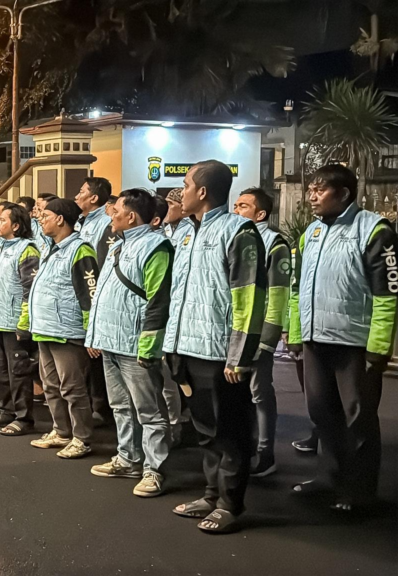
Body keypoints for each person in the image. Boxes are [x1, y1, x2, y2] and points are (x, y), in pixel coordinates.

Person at [164, 160, 267, 534]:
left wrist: (238, 356)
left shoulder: (239, 231)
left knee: (231, 433)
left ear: (203, 191)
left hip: (220, 355)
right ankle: (211, 494)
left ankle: (230, 504)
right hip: (186, 348)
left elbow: (249, 300)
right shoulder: (185, 233)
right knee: (206, 431)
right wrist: (170, 345)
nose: (182, 192)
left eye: (186, 185)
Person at [288, 164, 397, 513]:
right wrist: (295, 333)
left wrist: (378, 347)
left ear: (344, 193)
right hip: (315, 340)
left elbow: (387, 294)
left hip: (355, 344)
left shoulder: (374, 230)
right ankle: (330, 478)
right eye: (310, 189)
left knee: (358, 419)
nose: (311, 196)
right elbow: (297, 288)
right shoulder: (310, 233)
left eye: (319, 189)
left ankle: (360, 491)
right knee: (322, 413)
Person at [86, 189, 174, 497]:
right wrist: (94, 335)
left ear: (132, 216)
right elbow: (102, 296)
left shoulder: (156, 247)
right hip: (111, 341)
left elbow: (158, 301)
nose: (111, 214)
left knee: (149, 411)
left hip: (135, 344)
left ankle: (154, 469)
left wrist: (148, 348)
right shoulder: (118, 246)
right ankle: (128, 458)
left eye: (116, 210)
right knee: (121, 406)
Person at [28, 197, 98, 459]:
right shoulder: (52, 248)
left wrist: (91, 332)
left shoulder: (80, 250)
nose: (40, 219)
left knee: (73, 388)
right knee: (51, 386)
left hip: (67, 331)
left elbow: (89, 295)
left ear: (60, 219)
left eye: (45, 215)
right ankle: (61, 431)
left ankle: (82, 438)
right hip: (45, 327)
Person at [233, 187, 291, 478]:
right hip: (236, 332)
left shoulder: (274, 243)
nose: (236, 210)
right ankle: (244, 449)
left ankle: (265, 454)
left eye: (243, 206)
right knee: (238, 394)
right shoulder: (236, 238)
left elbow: (278, 295)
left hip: (258, 334)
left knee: (260, 394)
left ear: (261, 214)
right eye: (235, 205)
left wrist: (268, 339)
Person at [0, 203, 40, 437]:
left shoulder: (27, 250)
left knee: (18, 373)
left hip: (14, 323)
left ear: (16, 225)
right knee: (0, 372)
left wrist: (24, 324)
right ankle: (6, 411)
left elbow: (30, 291)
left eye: (3, 220)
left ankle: (24, 418)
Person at [74, 176, 118, 426]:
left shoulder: (105, 224)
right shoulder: (81, 221)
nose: (77, 196)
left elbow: (102, 266)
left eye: (81, 191)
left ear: (93, 197)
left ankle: (100, 407)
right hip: (79, 297)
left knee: (96, 357)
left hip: (94, 296)